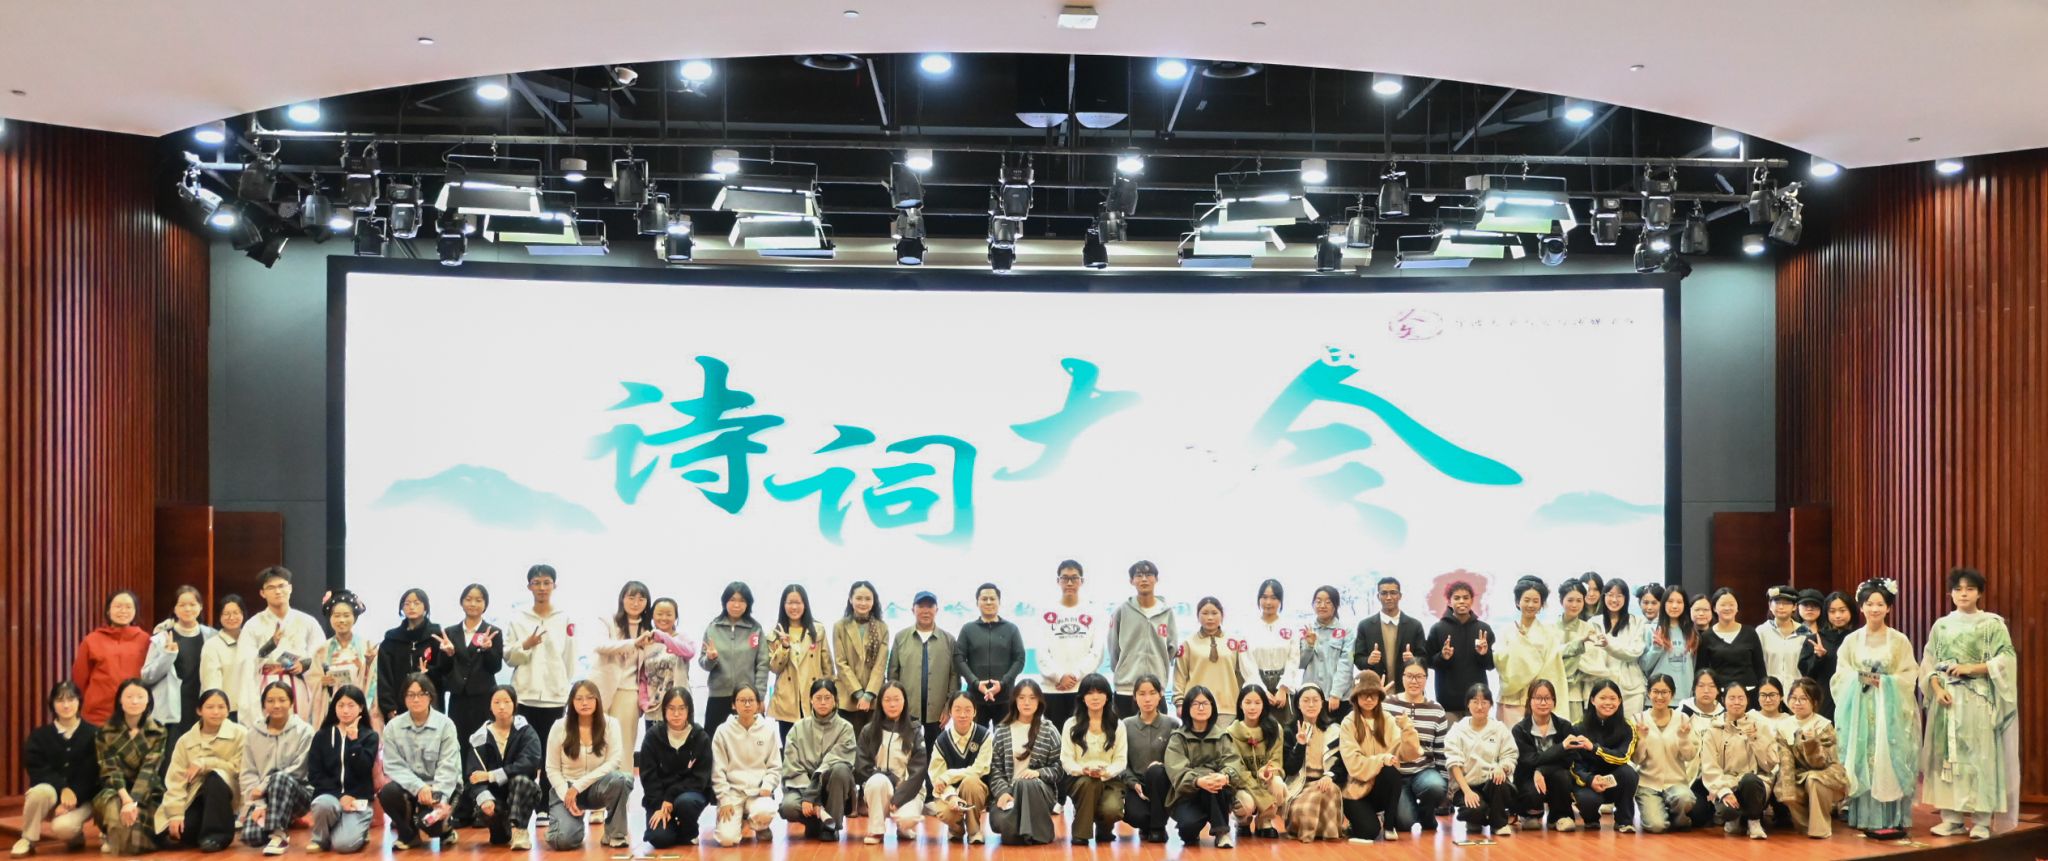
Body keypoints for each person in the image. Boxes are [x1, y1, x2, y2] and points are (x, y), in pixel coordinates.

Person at [1920, 567, 2018, 840]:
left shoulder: (1992, 624)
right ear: (1950, 593)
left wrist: (1972, 667)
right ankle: (1951, 818)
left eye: (1970, 589)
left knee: (1980, 757)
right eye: (1958, 589)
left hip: (1978, 700)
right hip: (1947, 701)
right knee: (1948, 758)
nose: (1963, 594)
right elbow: (1928, 661)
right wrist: (1936, 688)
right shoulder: (1941, 625)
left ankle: (1982, 820)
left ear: (1979, 593)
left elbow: (2007, 658)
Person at [1832, 578, 1920, 834]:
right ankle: (1863, 815)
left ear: (1889, 608)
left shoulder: (1899, 640)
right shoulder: (1851, 640)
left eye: (1880, 604)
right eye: (1869, 604)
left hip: (1889, 709)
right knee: (1863, 756)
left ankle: (1893, 816)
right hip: (1860, 708)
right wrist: (1861, 678)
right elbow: (1841, 675)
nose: (1874, 609)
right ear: (1861, 607)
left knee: (1890, 756)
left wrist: (1885, 682)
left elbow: (1909, 674)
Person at [505, 564, 578, 782]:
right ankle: (523, 797)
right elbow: (508, 657)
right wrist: (525, 645)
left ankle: (546, 800)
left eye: (547, 583)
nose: (542, 588)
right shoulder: (518, 618)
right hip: (524, 695)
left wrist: (562, 684)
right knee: (524, 753)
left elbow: (569, 657)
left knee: (551, 756)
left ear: (555, 585)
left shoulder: (565, 617)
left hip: (554, 697)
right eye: (536, 583)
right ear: (529, 586)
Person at [542, 680, 632, 850]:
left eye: (590, 698)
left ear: (597, 700)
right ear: (571, 702)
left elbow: (614, 762)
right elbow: (551, 768)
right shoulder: (559, 726)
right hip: (566, 789)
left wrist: (578, 786)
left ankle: (615, 834)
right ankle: (570, 826)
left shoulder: (611, 724)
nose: (585, 703)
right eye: (579, 699)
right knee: (562, 841)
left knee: (622, 779)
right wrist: (567, 793)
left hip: (596, 788)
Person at [155, 688, 245, 852]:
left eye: (221, 707)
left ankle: (217, 836)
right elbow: (175, 781)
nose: (216, 712)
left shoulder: (240, 734)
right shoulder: (185, 740)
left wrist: (206, 763)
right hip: (194, 796)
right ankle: (200, 832)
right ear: (199, 710)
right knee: (176, 833)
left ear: (228, 710)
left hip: (227, 793)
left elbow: (238, 768)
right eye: (210, 707)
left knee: (214, 777)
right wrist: (175, 814)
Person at [14, 682, 98, 858]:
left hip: (84, 799)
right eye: (60, 700)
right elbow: (37, 769)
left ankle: (75, 836)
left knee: (63, 828)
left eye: (71, 699)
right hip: (51, 796)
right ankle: (27, 839)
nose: (66, 705)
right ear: (52, 704)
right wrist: (63, 789)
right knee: (38, 792)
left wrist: (74, 796)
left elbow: (92, 773)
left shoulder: (94, 734)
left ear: (79, 702)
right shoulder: (39, 736)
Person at [379, 673, 462, 850]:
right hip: (412, 787)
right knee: (387, 793)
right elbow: (393, 765)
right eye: (410, 694)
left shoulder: (445, 725)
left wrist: (438, 796)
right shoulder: (393, 727)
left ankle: (446, 829)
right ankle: (409, 835)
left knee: (432, 826)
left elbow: (449, 765)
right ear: (404, 698)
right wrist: (419, 787)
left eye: (421, 694)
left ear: (430, 696)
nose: (416, 699)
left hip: (441, 786)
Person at [236, 567, 325, 726]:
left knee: (300, 729)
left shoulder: (307, 621)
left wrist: (304, 664)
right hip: (267, 685)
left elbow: (321, 654)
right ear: (262, 593)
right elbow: (245, 662)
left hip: (299, 686)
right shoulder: (252, 625)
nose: (277, 591)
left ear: (290, 588)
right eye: (271, 587)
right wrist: (269, 646)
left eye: (281, 586)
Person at [1337, 671, 1415, 843]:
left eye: (1373, 694)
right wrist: (1381, 759)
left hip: (1380, 788)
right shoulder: (1348, 723)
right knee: (1369, 832)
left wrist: (1408, 730)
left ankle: (1389, 825)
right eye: (1363, 694)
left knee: (1392, 771)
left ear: (1379, 697)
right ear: (1356, 697)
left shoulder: (1387, 719)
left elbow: (1406, 754)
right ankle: (1360, 822)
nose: (1369, 699)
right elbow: (1354, 765)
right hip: (1356, 791)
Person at [91, 680, 167, 856]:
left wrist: (134, 801)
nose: (134, 701)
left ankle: (118, 840)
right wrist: (126, 800)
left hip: (147, 791)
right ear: (120, 700)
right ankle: (112, 836)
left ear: (148, 700)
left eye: (140, 697)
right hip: (117, 789)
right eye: (129, 696)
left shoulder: (158, 731)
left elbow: (149, 770)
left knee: (135, 844)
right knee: (112, 808)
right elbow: (110, 770)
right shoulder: (105, 732)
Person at [237, 682, 313, 855]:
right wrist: (259, 805)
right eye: (270, 701)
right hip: (265, 797)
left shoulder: (305, 731)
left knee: (279, 778)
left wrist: (265, 784)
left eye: (282, 700)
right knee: (252, 837)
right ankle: (282, 819)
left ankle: (279, 835)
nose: (276, 705)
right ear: (263, 704)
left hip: (298, 794)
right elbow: (248, 773)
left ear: (291, 702)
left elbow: (300, 769)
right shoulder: (252, 734)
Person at [462, 685, 541, 850]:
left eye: (507, 701)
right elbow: (474, 776)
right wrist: (484, 797)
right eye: (496, 702)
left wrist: (491, 775)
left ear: (515, 704)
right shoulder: (480, 737)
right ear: (490, 706)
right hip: (495, 796)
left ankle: (520, 830)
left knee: (521, 781)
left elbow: (529, 764)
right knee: (499, 840)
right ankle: (504, 827)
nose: (502, 706)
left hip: (521, 793)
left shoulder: (526, 731)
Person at [439, 584, 504, 778]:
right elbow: (443, 669)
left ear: (485, 604)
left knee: (482, 742)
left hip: (483, 697)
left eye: (478, 600)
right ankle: (459, 785)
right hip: (458, 697)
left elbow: (495, 667)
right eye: (468, 599)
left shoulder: (493, 632)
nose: (473, 604)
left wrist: (488, 650)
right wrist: (448, 654)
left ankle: (480, 783)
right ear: (461, 602)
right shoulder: (450, 632)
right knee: (457, 742)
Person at [779, 679, 857, 841]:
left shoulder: (846, 728)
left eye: (827, 698)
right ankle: (818, 823)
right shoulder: (797, 728)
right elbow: (792, 767)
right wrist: (808, 796)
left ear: (835, 700)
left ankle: (831, 827)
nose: (823, 702)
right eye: (818, 698)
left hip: (832, 789)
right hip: (802, 787)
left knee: (841, 769)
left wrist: (812, 796)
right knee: (789, 806)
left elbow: (834, 762)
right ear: (811, 700)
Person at [987, 680, 1063, 846]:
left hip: (1040, 792)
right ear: (1014, 701)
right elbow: (994, 769)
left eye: (1032, 698)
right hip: (1010, 793)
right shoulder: (1002, 731)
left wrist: (1038, 773)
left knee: (1025, 783)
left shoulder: (1049, 730)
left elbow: (1059, 768)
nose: (1026, 702)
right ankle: (1030, 830)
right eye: (1021, 698)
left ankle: (1037, 833)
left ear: (1039, 701)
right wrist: (1003, 792)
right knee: (1001, 825)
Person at [587, 581, 655, 765]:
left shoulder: (649, 629)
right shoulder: (607, 620)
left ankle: (623, 782)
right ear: (622, 599)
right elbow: (601, 646)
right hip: (601, 689)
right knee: (596, 742)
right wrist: (634, 643)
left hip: (629, 691)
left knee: (624, 744)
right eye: (631, 598)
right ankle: (595, 782)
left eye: (641, 599)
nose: (635, 603)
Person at [1165, 686, 1242, 848]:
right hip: (1187, 795)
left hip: (1216, 793)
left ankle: (1222, 832)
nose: (1201, 708)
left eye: (1205, 703)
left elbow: (1233, 763)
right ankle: (1200, 822)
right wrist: (1198, 781)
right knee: (1188, 830)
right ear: (1187, 708)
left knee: (1214, 783)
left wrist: (1225, 776)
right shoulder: (1178, 738)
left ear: (1212, 707)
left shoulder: (1222, 736)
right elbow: (1176, 770)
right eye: (1195, 704)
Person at [853, 682, 928, 844]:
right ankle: (876, 830)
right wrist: (889, 778)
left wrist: (900, 797)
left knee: (907, 818)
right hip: (880, 789)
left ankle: (904, 827)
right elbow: (862, 766)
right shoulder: (869, 730)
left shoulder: (915, 730)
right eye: (887, 700)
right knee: (877, 781)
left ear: (904, 701)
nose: (892, 704)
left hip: (907, 790)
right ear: (880, 702)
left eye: (896, 699)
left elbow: (918, 771)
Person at [305, 686, 377, 854]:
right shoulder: (321, 736)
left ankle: (357, 829)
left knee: (344, 845)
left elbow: (364, 770)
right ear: (334, 707)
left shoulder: (369, 736)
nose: (345, 711)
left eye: (351, 705)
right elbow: (314, 774)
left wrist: (354, 741)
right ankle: (320, 839)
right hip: (330, 797)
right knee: (322, 804)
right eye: (340, 705)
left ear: (361, 707)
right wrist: (340, 796)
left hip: (357, 800)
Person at [1698, 681, 1774, 839]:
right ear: (1723, 700)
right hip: (1727, 783)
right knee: (1727, 810)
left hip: (1754, 783)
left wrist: (1755, 739)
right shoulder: (1713, 730)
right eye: (1732, 698)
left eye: (1741, 698)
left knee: (1749, 780)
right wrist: (1724, 792)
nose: (1737, 702)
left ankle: (1754, 822)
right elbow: (1709, 768)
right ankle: (1735, 819)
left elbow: (1769, 765)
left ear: (1747, 700)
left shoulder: (1760, 726)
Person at [1381, 657, 1449, 834]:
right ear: (1402, 677)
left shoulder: (1436, 710)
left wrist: (1445, 783)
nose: (1414, 681)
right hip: (1396, 773)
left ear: (1426, 678)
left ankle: (1427, 814)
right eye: (1409, 676)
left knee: (1436, 787)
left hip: (1424, 770)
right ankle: (1410, 809)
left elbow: (1441, 750)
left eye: (1419, 676)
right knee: (1404, 823)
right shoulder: (1387, 704)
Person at [1034, 562, 1104, 732]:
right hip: (1053, 689)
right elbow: (1041, 652)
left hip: (1083, 689)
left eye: (1074, 578)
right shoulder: (1045, 612)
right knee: (1056, 738)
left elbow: (1096, 652)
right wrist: (1059, 676)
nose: (1070, 583)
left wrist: (1076, 675)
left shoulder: (1093, 612)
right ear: (1058, 581)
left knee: (1083, 736)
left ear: (1082, 581)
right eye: (1065, 578)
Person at [640, 689, 713, 848]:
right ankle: (672, 828)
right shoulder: (653, 736)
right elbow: (648, 777)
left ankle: (689, 831)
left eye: (681, 708)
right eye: (671, 708)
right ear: (664, 710)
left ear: (689, 710)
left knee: (685, 803)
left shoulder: (700, 737)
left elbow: (700, 779)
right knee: (659, 838)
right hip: (659, 799)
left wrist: (670, 797)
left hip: (689, 794)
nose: (676, 714)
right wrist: (659, 805)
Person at [709, 685, 781, 847]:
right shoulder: (723, 731)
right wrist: (724, 799)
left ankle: (760, 826)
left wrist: (768, 785)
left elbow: (775, 766)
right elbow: (717, 770)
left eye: (751, 700)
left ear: (758, 704)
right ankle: (738, 820)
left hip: (758, 792)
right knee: (727, 840)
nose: (747, 704)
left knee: (767, 809)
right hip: (732, 793)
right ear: (733, 704)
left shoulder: (767, 729)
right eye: (742, 700)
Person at [887, 591, 961, 749]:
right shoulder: (901, 637)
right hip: (908, 710)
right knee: (906, 751)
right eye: (921, 606)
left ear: (937, 610)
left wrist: (948, 708)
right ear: (913, 609)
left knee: (935, 753)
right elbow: (893, 674)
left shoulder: (949, 640)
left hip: (938, 713)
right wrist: (896, 706)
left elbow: (954, 676)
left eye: (930, 606)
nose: (926, 611)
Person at [1775, 677, 1847, 839]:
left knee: (1813, 779)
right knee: (1785, 789)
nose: (1797, 703)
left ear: (1814, 702)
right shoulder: (1784, 725)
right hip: (1800, 774)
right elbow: (1785, 760)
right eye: (1794, 698)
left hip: (1828, 774)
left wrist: (1811, 742)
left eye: (1803, 699)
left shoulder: (1824, 725)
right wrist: (1787, 789)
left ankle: (1820, 830)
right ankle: (1805, 826)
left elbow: (1822, 763)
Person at [141, 586, 215, 741]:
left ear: (201, 607)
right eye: (182, 605)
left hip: (203, 706)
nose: (187, 609)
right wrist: (167, 655)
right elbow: (147, 676)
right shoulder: (161, 638)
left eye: (193, 604)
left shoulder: (211, 636)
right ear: (174, 609)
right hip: (171, 711)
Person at [1446, 685, 1518, 839]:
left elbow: (1510, 755)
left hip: (1491, 784)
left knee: (1499, 780)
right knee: (1475, 811)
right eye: (1475, 701)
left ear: (1491, 705)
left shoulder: (1499, 728)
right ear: (1468, 704)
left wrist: (1502, 767)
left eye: (1484, 702)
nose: (1479, 707)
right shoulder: (1458, 729)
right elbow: (1454, 763)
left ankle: (1499, 823)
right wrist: (1467, 791)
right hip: (1466, 785)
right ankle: (1477, 817)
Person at [1566, 680, 1638, 832]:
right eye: (1603, 698)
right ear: (1592, 700)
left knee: (1629, 773)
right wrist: (1590, 779)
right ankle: (1591, 819)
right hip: (1588, 782)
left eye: (1612, 698)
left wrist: (1594, 748)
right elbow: (1573, 765)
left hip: (1613, 781)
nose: (1608, 703)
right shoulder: (1577, 727)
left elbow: (1622, 757)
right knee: (1587, 800)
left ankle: (1624, 821)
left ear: (1619, 701)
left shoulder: (1627, 727)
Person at [701, 581, 771, 735]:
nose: (736, 605)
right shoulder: (713, 627)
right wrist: (710, 658)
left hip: (747, 698)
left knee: (752, 740)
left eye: (742, 600)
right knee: (713, 741)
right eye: (732, 600)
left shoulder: (755, 629)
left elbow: (763, 664)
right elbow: (703, 663)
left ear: (748, 603)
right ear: (725, 602)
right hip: (718, 697)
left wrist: (759, 696)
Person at [1107, 560, 1176, 717]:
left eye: (1149, 574)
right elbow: (1113, 648)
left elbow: (1171, 648)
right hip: (1126, 688)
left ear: (1156, 579)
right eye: (1139, 575)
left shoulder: (1167, 612)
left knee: (1158, 731)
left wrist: (1159, 667)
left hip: (1155, 689)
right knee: (1124, 730)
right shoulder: (1121, 611)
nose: (1144, 579)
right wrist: (1124, 669)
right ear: (1131, 580)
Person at [1061, 675, 1123, 845]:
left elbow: (1120, 760)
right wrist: (1082, 770)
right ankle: (1080, 834)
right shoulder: (1071, 724)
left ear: (1108, 696)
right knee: (1089, 783)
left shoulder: (1118, 725)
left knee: (1112, 810)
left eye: (1100, 692)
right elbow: (1066, 759)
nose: (1095, 697)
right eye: (1089, 693)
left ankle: (1104, 828)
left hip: (1109, 779)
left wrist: (1105, 772)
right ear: (1082, 698)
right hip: (1079, 779)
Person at [1632, 674, 1697, 833]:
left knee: (1686, 799)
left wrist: (1683, 738)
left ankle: (1678, 819)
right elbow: (1637, 759)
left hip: (1676, 782)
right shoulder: (1639, 719)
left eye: (1664, 692)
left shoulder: (1682, 718)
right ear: (1649, 693)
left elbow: (1689, 756)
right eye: (1655, 691)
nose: (1659, 697)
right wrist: (1642, 738)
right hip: (1647, 784)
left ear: (1672, 694)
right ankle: (1659, 814)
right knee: (1656, 826)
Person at [927, 691, 993, 845]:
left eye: (968, 710)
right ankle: (956, 829)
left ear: (975, 711)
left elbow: (980, 769)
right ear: (950, 712)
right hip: (948, 792)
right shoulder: (941, 741)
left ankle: (974, 831)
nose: (963, 715)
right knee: (947, 812)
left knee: (970, 782)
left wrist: (949, 776)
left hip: (976, 790)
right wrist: (951, 796)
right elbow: (937, 776)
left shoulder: (984, 736)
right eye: (957, 709)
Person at [1494, 577, 1563, 726]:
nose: (1530, 605)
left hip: (1538, 702)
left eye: (1535, 601)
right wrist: (1520, 645)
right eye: (1526, 600)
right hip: (1510, 700)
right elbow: (1499, 661)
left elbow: (1552, 669)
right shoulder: (1507, 631)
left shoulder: (1549, 633)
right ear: (1517, 602)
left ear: (1541, 604)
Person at [1117, 674, 1177, 844]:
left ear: (1160, 695)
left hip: (1163, 784)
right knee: (1135, 815)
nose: (1147, 699)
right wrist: (1133, 784)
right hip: (1137, 785)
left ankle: (1158, 828)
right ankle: (1147, 824)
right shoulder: (1126, 725)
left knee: (1156, 771)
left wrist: (1163, 767)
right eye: (1142, 694)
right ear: (1134, 697)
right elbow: (1121, 761)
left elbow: (1178, 758)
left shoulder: (1172, 724)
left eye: (1152, 693)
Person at [74, 591, 150, 725]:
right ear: (108, 611)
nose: (123, 611)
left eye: (128, 607)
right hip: (97, 714)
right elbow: (80, 678)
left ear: (135, 611)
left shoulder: (146, 640)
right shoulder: (92, 640)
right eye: (118, 606)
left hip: (133, 713)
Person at [1511, 680, 1577, 832]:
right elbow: (1528, 760)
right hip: (1528, 776)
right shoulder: (1519, 730)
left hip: (1556, 774)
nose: (1543, 702)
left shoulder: (1565, 726)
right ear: (1530, 701)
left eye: (1547, 698)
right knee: (1532, 791)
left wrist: (1541, 770)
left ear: (1554, 701)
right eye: (1538, 698)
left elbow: (1568, 759)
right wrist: (1561, 747)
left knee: (1562, 776)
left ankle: (1559, 817)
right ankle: (1530, 815)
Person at [958, 583, 1027, 728]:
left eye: (992, 598)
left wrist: (1003, 683)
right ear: (977, 602)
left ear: (999, 602)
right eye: (984, 599)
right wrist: (975, 683)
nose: (988, 602)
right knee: (975, 739)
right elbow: (959, 659)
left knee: (1006, 739)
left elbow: (1019, 659)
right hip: (975, 698)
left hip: (1005, 698)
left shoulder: (1011, 629)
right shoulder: (968, 629)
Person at [1425, 581, 1497, 721]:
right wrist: (1443, 657)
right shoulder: (1438, 629)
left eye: (1465, 597)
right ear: (1449, 601)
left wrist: (1483, 654)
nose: (1462, 601)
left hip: (1477, 703)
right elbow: (1428, 662)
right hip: (1448, 703)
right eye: (1457, 598)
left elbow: (1490, 665)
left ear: (1472, 600)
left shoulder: (1484, 629)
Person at [769, 585, 834, 739]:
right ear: (783, 605)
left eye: (798, 602)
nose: (794, 607)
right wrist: (784, 647)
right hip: (787, 700)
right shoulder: (775, 634)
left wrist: (829, 695)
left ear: (805, 604)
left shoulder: (817, 630)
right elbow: (774, 668)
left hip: (814, 696)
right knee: (789, 745)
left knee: (816, 745)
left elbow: (827, 666)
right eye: (790, 603)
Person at [1173, 597, 1253, 722]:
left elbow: (1242, 674)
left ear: (1222, 615)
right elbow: (1180, 675)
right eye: (1205, 613)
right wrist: (1179, 702)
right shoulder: (1188, 643)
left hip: (1228, 707)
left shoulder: (1235, 641)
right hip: (1197, 707)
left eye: (1214, 613)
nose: (1210, 618)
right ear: (1197, 616)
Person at [1281, 685, 1342, 843]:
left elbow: (1341, 763)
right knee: (1311, 802)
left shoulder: (1334, 730)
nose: (1311, 705)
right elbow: (1289, 769)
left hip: (1324, 781)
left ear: (1322, 703)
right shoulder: (1289, 731)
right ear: (1298, 704)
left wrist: (1329, 776)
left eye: (1315, 700)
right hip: (1299, 785)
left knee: (1330, 789)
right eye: (1306, 700)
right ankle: (1306, 831)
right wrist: (1300, 745)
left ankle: (1325, 833)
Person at [1226, 683, 1286, 838]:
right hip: (1242, 785)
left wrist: (1269, 771)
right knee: (1246, 804)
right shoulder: (1230, 733)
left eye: (1257, 702)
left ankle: (1264, 821)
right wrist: (1263, 798)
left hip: (1265, 780)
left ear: (1264, 705)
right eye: (1248, 702)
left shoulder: (1275, 728)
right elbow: (1237, 769)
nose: (1252, 707)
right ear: (1240, 705)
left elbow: (1277, 760)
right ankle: (1242, 822)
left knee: (1278, 784)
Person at [309, 590, 376, 731]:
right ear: (330, 618)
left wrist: (368, 665)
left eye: (346, 615)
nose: (341, 620)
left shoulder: (366, 646)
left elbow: (374, 681)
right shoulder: (322, 650)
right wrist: (321, 682)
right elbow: (311, 680)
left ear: (354, 618)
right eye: (336, 615)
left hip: (358, 707)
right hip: (330, 708)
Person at [375, 589, 444, 722]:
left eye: (417, 603)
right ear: (401, 608)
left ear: (425, 607)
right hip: (398, 708)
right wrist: (389, 707)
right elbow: (384, 677)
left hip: (430, 708)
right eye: (407, 604)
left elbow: (443, 673)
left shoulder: (436, 636)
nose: (411, 607)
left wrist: (429, 672)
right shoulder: (391, 639)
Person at [1580, 579, 1647, 716]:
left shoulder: (1637, 622)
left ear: (1626, 598)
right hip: (1601, 689)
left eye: (1619, 596)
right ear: (1604, 596)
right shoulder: (1593, 623)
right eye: (1610, 595)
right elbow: (1589, 659)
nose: (1614, 600)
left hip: (1631, 689)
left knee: (1631, 727)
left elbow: (1634, 652)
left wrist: (1608, 646)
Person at [831, 581, 889, 735]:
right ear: (851, 599)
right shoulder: (840, 627)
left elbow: (880, 665)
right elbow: (840, 663)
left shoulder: (882, 627)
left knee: (872, 743)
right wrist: (858, 694)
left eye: (868, 599)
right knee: (848, 743)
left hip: (873, 700)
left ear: (874, 601)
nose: (863, 603)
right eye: (859, 598)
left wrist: (868, 695)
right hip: (847, 698)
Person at [1352, 577, 1426, 689]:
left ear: (1400, 596)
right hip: (1375, 690)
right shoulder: (1365, 626)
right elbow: (1358, 659)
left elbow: (1424, 659)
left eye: (1393, 593)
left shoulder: (1415, 625)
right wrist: (1369, 661)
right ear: (1378, 596)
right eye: (1384, 593)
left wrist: (1414, 660)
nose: (1389, 597)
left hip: (1407, 690)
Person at [639, 597, 697, 739]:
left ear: (676, 617)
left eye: (669, 614)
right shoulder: (645, 640)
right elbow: (642, 677)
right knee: (655, 747)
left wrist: (663, 637)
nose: (664, 618)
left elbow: (689, 652)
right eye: (659, 614)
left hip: (679, 705)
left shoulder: (682, 637)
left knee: (682, 746)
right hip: (654, 707)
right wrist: (643, 701)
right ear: (652, 616)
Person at [1244, 579, 1301, 719]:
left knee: (1286, 727)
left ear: (1280, 600)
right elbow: (1247, 662)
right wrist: (1261, 690)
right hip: (1257, 684)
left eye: (1273, 598)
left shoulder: (1290, 627)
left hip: (1282, 684)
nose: (1268, 602)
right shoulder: (1249, 628)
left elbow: (1293, 659)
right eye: (1264, 597)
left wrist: (1283, 688)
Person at [1696, 588, 1767, 693]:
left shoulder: (1750, 633)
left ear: (1737, 607)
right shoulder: (1706, 636)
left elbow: (1760, 668)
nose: (1727, 608)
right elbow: (1701, 670)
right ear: (1714, 608)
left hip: (1749, 692)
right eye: (1723, 605)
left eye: (1731, 604)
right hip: (1720, 693)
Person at [1297, 586, 1354, 716]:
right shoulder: (1306, 630)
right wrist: (1309, 645)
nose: (1322, 605)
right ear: (1313, 604)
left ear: (1335, 605)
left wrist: (1336, 693)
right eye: (1318, 601)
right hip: (1311, 697)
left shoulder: (1346, 631)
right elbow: (1300, 664)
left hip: (1338, 698)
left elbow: (1346, 664)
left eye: (1328, 602)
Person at [1797, 592, 1853, 719]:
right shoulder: (1815, 639)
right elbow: (1806, 673)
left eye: (1842, 610)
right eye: (1832, 611)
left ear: (1851, 611)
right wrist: (1818, 657)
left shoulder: (1857, 637)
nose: (1837, 615)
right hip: (1824, 697)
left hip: (1852, 696)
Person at [1637, 585, 1694, 703]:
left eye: (1679, 602)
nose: (1674, 606)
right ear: (1663, 604)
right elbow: (1644, 666)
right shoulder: (1651, 630)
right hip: (1657, 698)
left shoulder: (1691, 632)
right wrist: (1656, 648)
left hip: (1685, 699)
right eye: (1670, 601)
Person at [199, 595, 249, 723]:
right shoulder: (212, 645)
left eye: (236, 613)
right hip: (227, 712)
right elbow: (211, 683)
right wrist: (217, 709)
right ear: (219, 617)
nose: (231, 618)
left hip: (252, 710)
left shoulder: (251, 641)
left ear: (243, 614)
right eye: (226, 614)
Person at [1555, 581, 1594, 724]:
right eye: (1570, 600)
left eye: (1579, 600)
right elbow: (1551, 657)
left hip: (1576, 692)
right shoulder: (1549, 628)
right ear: (1561, 601)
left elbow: (1591, 663)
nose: (1574, 605)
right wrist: (1578, 646)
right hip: (1553, 689)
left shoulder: (1589, 629)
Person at [1758, 586, 1808, 694]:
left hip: (1797, 692)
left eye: (1786, 603)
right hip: (1769, 692)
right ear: (1770, 606)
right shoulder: (1761, 631)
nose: (1781, 606)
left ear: (1794, 607)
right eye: (1777, 602)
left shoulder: (1804, 632)